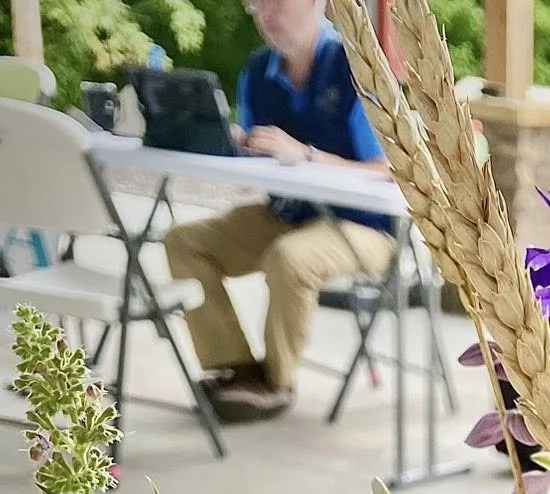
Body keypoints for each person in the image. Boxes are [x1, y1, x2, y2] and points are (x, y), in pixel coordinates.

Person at [163, 0, 394, 422]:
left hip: (365, 226)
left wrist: (306, 155)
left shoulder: (357, 67)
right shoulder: (256, 73)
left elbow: (391, 170)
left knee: (290, 258)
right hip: (288, 215)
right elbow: (259, 159)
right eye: (256, 5)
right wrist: (232, 141)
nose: (265, 14)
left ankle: (275, 383)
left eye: (276, 2)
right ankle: (235, 369)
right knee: (184, 242)